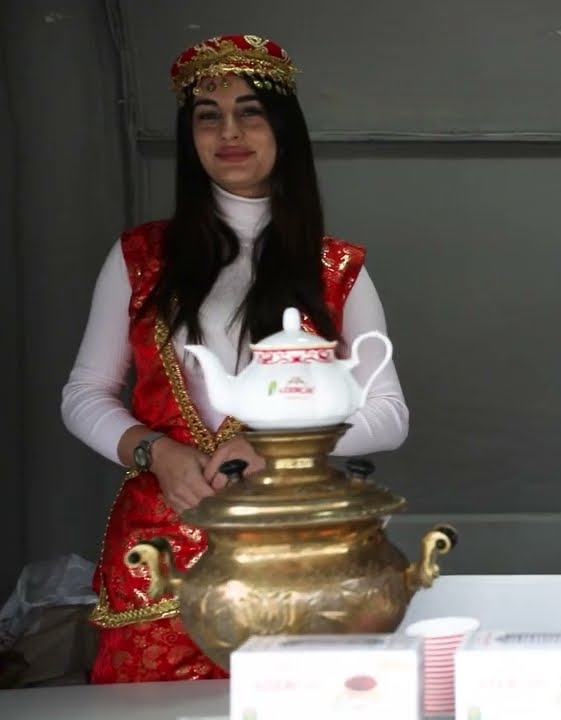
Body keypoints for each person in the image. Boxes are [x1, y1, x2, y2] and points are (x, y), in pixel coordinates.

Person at [60, 34, 409, 683]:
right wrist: (154, 452)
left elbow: (389, 413)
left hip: (293, 556)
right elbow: (84, 393)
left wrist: (276, 451)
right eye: (208, 115)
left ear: (283, 129)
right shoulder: (141, 257)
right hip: (157, 561)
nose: (229, 132)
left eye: (250, 112)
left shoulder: (335, 268)